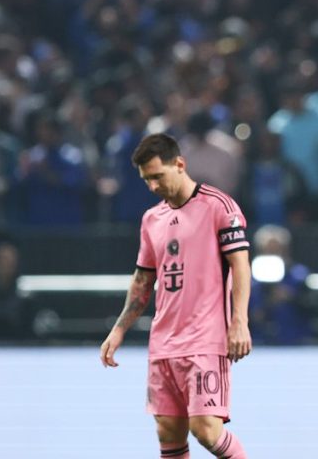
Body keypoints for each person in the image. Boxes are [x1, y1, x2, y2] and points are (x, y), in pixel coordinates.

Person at [99, 133, 252, 459]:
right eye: (146, 180)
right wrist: (119, 329)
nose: (153, 186)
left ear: (179, 164)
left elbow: (240, 265)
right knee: (168, 432)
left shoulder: (218, 205)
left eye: (158, 176)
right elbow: (143, 280)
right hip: (164, 343)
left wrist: (240, 321)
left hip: (205, 340)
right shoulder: (152, 219)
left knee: (206, 430)